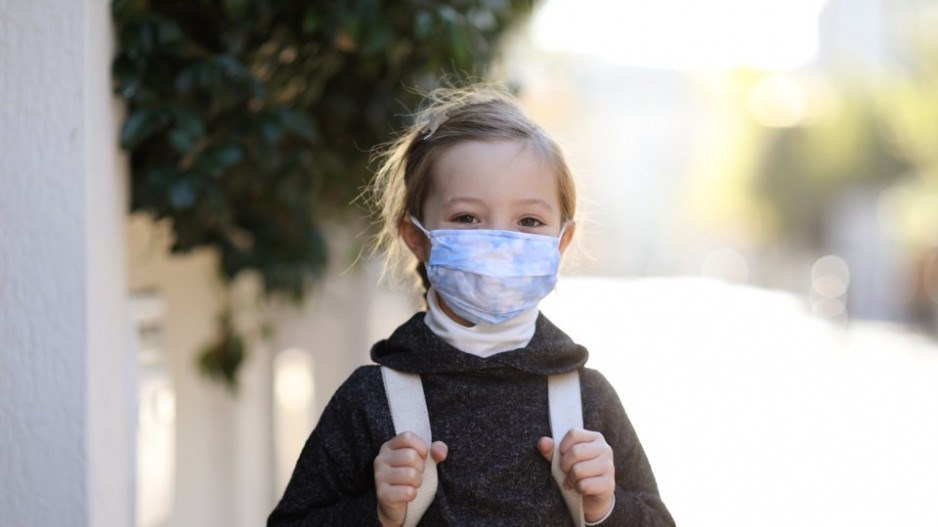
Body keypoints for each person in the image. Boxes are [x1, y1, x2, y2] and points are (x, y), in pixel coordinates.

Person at [268, 84, 675, 526]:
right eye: (467, 218)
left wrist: (604, 508)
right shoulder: (370, 400)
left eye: (529, 221)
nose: (501, 242)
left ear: (563, 240)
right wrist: (377, 513)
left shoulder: (588, 400)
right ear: (417, 237)